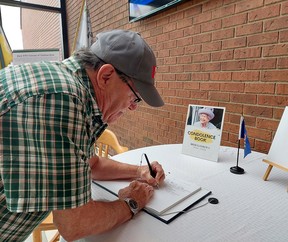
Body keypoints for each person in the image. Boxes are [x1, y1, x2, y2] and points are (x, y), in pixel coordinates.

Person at [0, 29, 165, 241]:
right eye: (135, 98)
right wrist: (132, 202)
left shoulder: (68, 86)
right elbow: (75, 224)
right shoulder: (62, 99)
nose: (132, 108)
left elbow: (91, 164)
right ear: (106, 76)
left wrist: (140, 171)